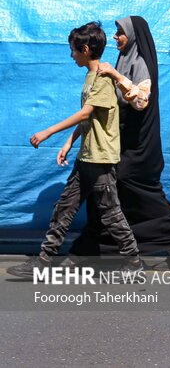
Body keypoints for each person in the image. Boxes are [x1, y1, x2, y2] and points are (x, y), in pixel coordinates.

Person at [7, 21, 142, 278]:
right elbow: (88, 119)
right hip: (87, 157)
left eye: (74, 50)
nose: (71, 55)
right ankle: (44, 260)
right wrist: (70, 143)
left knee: (111, 214)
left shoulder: (102, 79)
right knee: (64, 208)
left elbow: (85, 112)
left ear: (86, 49)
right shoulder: (91, 76)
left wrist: (49, 131)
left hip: (100, 159)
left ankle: (134, 263)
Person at [68, 16, 170, 271]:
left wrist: (115, 75)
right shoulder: (124, 61)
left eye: (120, 33)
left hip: (140, 148)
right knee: (104, 191)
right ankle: (88, 249)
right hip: (121, 142)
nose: (116, 37)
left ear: (134, 36)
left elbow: (140, 101)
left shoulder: (140, 63)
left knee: (141, 195)